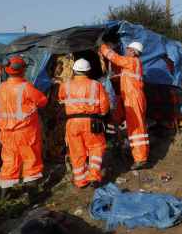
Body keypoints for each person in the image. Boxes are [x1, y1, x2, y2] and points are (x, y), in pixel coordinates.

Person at [0, 55, 48, 193]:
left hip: (6, 133)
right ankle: (32, 192)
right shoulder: (25, 87)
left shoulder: (0, 88)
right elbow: (42, 101)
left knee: (9, 161)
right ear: (23, 69)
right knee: (31, 159)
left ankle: (5, 194)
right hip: (25, 132)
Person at [59, 58, 110, 188]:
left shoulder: (65, 85)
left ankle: (80, 181)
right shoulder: (96, 85)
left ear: (74, 70)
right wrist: (103, 114)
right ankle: (93, 176)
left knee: (76, 152)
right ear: (88, 71)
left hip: (72, 123)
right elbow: (104, 106)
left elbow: (61, 99)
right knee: (97, 147)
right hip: (91, 121)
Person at [99, 41, 149, 170]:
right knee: (124, 122)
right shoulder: (130, 63)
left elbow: (115, 58)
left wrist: (103, 47)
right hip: (129, 97)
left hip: (133, 97)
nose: (126, 50)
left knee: (136, 128)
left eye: (128, 49)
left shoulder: (132, 61)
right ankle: (130, 149)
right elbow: (117, 66)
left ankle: (140, 158)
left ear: (133, 51)